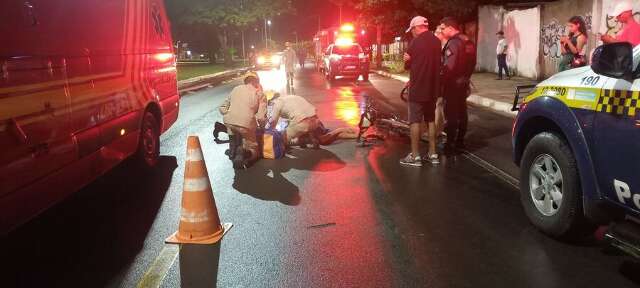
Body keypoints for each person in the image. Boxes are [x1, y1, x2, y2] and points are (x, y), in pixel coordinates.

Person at [401, 16, 443, 167]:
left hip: (418, 88)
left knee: (415, 121)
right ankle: (433, 154)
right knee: (430, 120)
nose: (411, 33)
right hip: (432, 88)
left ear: (416, 27)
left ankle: (415, 156)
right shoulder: (437, 42)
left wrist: (407, 59)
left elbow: (408, 64)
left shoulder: (415, 43)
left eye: (412, 30)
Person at [219, 72, 267, 169]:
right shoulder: (260, 94)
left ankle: (232, 149)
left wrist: (229, 114)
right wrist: (262, 127)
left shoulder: (236, 89)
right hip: (246, 124)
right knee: (254, 149)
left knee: (232, 129)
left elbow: (222, 107)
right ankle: (245, 152)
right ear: (257, 82)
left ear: (245, 81)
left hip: (229, 122)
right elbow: (261, 117)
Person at [441, 17, 472, 154]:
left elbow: (449, 67)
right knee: (462, 113)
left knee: (451, 114)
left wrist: (442, 81)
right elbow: (472, 63)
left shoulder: (453, 43)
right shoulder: (468, 41)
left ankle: (450, 144)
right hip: (464, 82)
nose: (442, 31)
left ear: (450, 28)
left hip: (452, 84)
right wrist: (466, 78)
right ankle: (460, 141)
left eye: (443, 28)